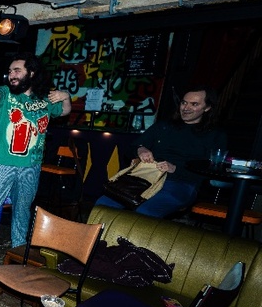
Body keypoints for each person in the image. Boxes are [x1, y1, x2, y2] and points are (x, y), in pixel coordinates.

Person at [0, 52, 72, 274]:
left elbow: (64, 110)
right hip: (0, 164)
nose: (12, 75)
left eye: (17, 70)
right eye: (10, 71)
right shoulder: (5, 93)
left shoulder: (44, 99)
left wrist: (65, 95)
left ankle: (19, 254)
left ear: (31, 73)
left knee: (22, 212)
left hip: (31, 166)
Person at [94, 87, 227, 218]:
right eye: (184, 102)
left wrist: (175, 169)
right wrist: (141, 149)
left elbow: (211, 171)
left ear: (207, 108)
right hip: (147, 178)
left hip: (182, 183)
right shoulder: (163, 126)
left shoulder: (215, 135)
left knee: (145, 212)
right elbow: (131, 149)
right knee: (103, 205)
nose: (186, 108)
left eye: (194, 104)